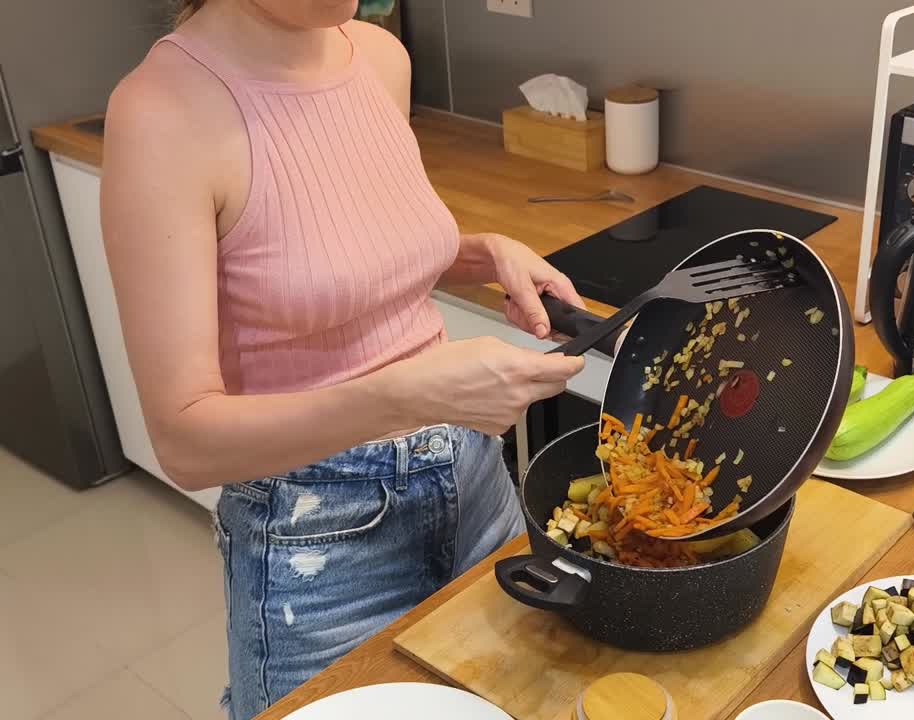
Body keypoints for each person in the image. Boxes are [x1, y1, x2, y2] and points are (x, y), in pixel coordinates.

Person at [101, 1, 585, 717]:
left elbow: (343, 255)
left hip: (474, 478)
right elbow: (184, 441)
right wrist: (410, 396)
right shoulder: (160, 113)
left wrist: (480, 253)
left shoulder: (378, 56)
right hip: (317, 536)